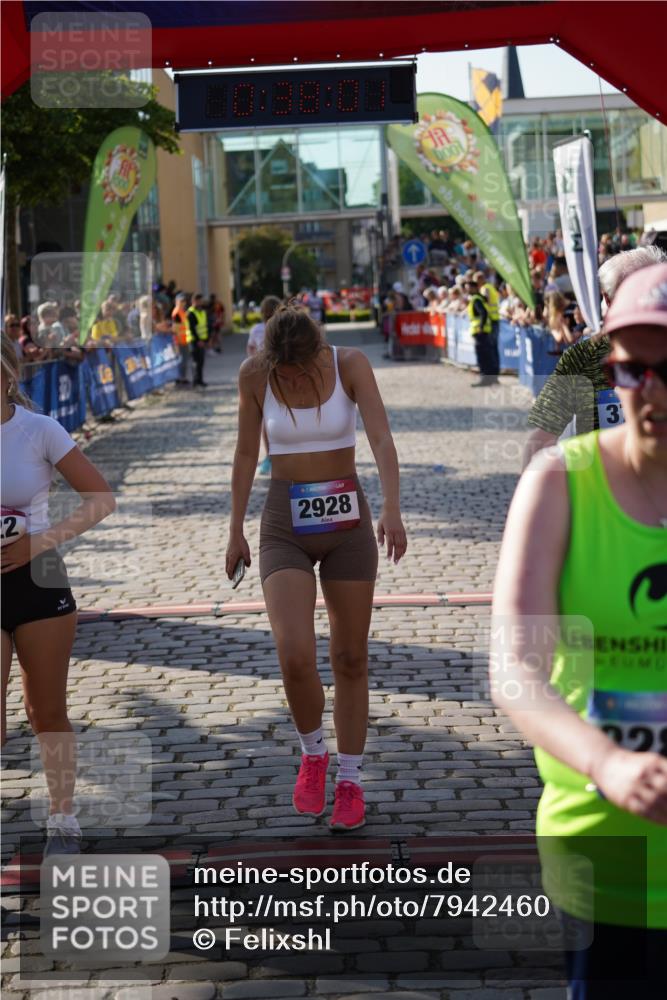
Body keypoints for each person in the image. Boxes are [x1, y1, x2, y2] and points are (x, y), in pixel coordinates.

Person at [492, 262, 667, 997]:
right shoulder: (575, 363)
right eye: (631, 368)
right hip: (600, 855)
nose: (648, 388)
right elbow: (538, 436)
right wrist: (608, 763)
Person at [225, 305, 407, 831]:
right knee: (294, 655)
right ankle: (313, 753)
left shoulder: (350, 364)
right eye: (286, 374)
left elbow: (381, 439)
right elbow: (242, 455)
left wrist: (392, 507)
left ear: (316, 354)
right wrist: (235, 527)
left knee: (350, 656)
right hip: (284, 520)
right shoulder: (254, 375)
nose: (297, 381)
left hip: (347, 518)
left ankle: (350, 780)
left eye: (304, 371)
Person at [1, 332, 115, 855]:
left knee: (46, 710)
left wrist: (38, 543)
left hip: (39, 577)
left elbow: (100, 498)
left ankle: (63, 818)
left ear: (7, 377)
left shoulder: (38, 430)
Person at [523, 245, 667, 468]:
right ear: (608, 300)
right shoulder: (583, 356)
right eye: (633, 293)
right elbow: (542, 436)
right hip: (603, 485)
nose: (645, 302)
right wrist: (532, 496)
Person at [247, 295, 281, 475]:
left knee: (265, 418)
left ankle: (269, 457)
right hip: (281, 374)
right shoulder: (283, 328)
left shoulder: (256, 329)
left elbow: (250, 351)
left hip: (261, 375)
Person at [466, 276, 499, 386]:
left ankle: (485, 379)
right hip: (484, 330)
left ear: (474, 288)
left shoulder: (476, 299)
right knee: (487, 355)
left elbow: (483, 313)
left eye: (469, 288)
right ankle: (490, 378)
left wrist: (480, 326)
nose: (467, 290)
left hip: (480, 332)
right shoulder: (479, 298)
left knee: (482, 356)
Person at [187, 293, 209, 387]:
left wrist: (206, 340)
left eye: (201, 301)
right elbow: (192, 328)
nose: (200, 302)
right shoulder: (190, 313)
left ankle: (200, 380)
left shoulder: (202, 312)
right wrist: (198, 340)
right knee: (195, 361)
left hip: (202, 340)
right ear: (193, 301)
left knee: (201, 361)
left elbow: (206, 326)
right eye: (198, 301)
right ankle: (195, 381)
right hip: (194, 341)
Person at [171, 292, 191, 385]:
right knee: (181, 360)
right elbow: (176, 328)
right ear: (176, 301)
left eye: (184, 301)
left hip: (184, 339)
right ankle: (180, 378)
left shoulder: (182, 312)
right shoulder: (177, 313)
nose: (183, 303)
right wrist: (177, 341)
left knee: (184, 359)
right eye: (181, 301)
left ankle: (181, 377)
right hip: (180, 341)